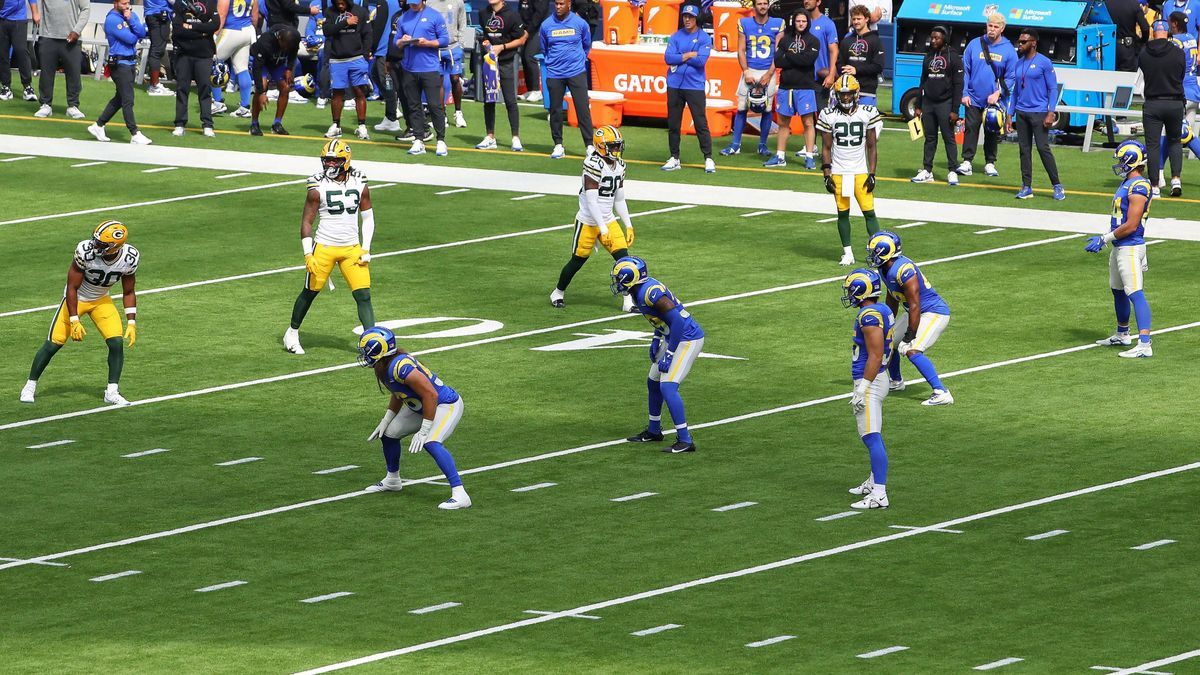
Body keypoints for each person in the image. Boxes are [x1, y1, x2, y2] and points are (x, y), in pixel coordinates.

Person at [20, 220, 139, 407]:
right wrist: (74, 320)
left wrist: (131, 321)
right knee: (53, 344)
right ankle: (29, 386)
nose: (95, 245)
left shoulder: (129, 258)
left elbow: (128, 292)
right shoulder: (84, 251)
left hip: (101, 301)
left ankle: (112, 392)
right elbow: (72, 288)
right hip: (77, 299)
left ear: (115, 247)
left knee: (116, 343)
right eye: (96, 240)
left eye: (101, 244)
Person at [358, 326, 472, 509]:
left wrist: (424, 430)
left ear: (379, 350)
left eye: (366, 350)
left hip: (444, 404)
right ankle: (392, 479)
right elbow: (398, 393)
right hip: (421, 405)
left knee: (431, 442)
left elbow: (431, 395)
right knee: (389, 434)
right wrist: (386, 419)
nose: (363, 354)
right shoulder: (384, 365)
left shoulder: (400, 367)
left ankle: (460, 493)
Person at [284, 140, 376, 355]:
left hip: (352, 248)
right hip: (324, 247)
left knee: (363, 295)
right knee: (310, 292)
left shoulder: (360, 181)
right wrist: (308, 253)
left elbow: (368, 217)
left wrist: (366, 248)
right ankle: (292, 333)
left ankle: (371, 342)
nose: (330, 165)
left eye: (335, 160)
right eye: (327, 160)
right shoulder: (317, 186)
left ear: (346, 161)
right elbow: (307, 221)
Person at [613, 256, 705, 454]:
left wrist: (670, 353)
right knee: (653, 381)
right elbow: (661, 319)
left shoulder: (650, 293)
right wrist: (656, 338)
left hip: (686, 339)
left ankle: (685, 440)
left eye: (619, 278)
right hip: (671, 337)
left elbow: (678, 322)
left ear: (630, 278)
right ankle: (654, 430)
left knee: (668, 386)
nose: (617, 282)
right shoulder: (640, 291)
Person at [550, 126, 636, 312]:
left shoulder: (620, 165)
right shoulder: (593, 163)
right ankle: (558, 292)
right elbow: (591, 201)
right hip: (588, 221)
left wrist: (628, 224)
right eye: (612, 146)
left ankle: (628, 302)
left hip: (608, 219)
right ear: (601, 146)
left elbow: (619, 198)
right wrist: (602, 229)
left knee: (625, 262)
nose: (616, 150)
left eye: (617, 146)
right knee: (577, 261)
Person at [867, 231, 953, 405]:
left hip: (933, 312)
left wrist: (910, 334)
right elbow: (893, 295)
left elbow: (915, 304)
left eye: (874, 252)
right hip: (916, 311)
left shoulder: (904, 270)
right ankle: (896, 381)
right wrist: (888, 323)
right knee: (888, 341)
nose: (871, 256)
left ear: (885, 252)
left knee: (912, 349)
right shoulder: (885, 268)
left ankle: (942, 392)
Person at [1087, 139, 1154, 358]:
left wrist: (1104, 238)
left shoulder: (1139, 186)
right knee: (1117, 290)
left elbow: (1132, 224)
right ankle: (1122, 333)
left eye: (1121, 160)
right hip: (1120, 246)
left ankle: (1145, 343)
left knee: (1135, 292)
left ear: (1131, 161)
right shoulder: (1128, 183)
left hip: (1131, 247)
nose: (1118, 163)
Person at [841, 267, 894, 509]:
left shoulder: (869, 316)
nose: (849, 294)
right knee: (871, 434)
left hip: (871, 381)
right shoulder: (880, 309)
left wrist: (863, 387)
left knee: (871, 437)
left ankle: (879, 494)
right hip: (875, 378)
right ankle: (874, 481)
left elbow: (875, 355)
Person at [818, 74, 881, 266]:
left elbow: (871, 146)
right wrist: (826, 175)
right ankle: (848, 253)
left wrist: (872, 173)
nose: (845, 98)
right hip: (839, 171)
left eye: (848, 94)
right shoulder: (828, 115)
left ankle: (880, 252)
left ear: (856, 93)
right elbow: (826, 148)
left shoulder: (867, 112)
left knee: (869, 212)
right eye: (842, 94)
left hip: (860, 170)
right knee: (842, 213)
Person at [721, 0, 783, 158]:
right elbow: (741, 50)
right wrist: (746, 71)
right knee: (741, 107)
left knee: (767, 109)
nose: (762, 6)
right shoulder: (744, 23)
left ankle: (762, 145)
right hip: (750, 69)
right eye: (759, 3)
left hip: (768, 70)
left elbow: (778, 52)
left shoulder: (778, 23)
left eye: (765, 3)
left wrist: (769, 73)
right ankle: (736, 145)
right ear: (754, 6)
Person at [86, 0, 152, 144]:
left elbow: (141, 32)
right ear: (115, 3)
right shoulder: (112, 20)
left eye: (128, 2)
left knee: (120, 98)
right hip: (119, 64)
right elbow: (131, 39)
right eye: (123, 3)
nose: (126, 6)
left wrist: (131, 19)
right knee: (128, 99)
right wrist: (135, 29)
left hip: (129, 62)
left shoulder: (128, 16)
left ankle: (98, 125)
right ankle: (134, 133)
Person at [959, 13, 1016, 178]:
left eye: (996, 26)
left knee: (992, 131)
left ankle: (990, 163)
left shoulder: (1008, 49)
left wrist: (998, 93)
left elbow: (1011, 77)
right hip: (973, 97)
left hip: (994, 101)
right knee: (971, 128)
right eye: (990, 25)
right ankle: (967, 162)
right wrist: (964, 93)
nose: (992, 29)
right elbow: (965, 70)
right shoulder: (974, 44)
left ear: (1002, 29)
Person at [1011, 28, 1064, 200]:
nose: (1020, 45)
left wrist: (1051, 112)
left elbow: (1052, 89)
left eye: (1023, 42)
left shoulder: (1044, 62)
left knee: (1043, 148)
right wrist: (1009, 114)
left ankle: (1057, 186)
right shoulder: (1019, 63)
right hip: (1021, 112)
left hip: (1039, 112)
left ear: (1033, 43)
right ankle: (1026, 186)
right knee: (1024, 150)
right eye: (1019, 42)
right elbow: (1015, 92)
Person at [662, 4, 714, 173]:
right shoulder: (676, 36)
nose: (687, 19)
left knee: (700, 122)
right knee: (673, 123)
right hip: (674, 84)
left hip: (694, 85)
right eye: (685, 16)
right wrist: (688, 55)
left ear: (697, 18)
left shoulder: (704, 38)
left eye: (690, 17)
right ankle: (674, 157)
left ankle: (708, 158)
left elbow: (701, 61)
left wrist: (680, 57)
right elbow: (668, 58)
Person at [394, 0, 449, 156]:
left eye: (416, 3)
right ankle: (418, 139)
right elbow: (396, 42)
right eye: (411, 3)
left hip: (429, 68)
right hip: (409, 68)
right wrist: (402, 41)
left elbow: (444, 39)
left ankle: (441, 140)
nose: (413, 5)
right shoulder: (404, 18)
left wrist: (428, 43)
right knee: (413, 105)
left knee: (434, 105)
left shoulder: (435, 16)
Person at [766, 11, 819, 168]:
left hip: (805, 87)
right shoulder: (785, 40)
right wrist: (797, 58)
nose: (801, 23)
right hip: (786, 87)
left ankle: (809, 156)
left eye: (803, 21)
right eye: (798, 21)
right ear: (793, 22)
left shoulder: (813, 40)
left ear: (807, 22)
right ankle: (780, 156)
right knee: (783, 123)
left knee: (808, 122)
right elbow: (778, 60)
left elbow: (808, 61)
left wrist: (789, 56)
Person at [912, 25, 963, 185]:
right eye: (932, 37)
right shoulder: (928, 56)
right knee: (930, 138)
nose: (933, 40)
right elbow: (922, 81)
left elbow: (958, 85)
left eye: (937, 38)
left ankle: (952, 170)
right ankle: (927, 170)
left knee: (949, 138)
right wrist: (918, 106)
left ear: (945, 39)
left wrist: (955, 110)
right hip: (928, 103)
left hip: (945, 103)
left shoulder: (953, 57)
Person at [540, 0, 592, 159]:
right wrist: (553, 64)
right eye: (556, 4)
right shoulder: (546, 25)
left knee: (582, 109)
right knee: (555, 110)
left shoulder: (580, 24)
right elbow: (544, 48)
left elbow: (586, 44)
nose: (558, 7)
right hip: (555, 74)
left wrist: (578, 60)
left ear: (569, 4)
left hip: (576, 72)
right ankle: (558, 145)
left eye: (561, 4)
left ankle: (589, 146)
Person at [1141, 19, 1187, 196]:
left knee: (1152, 145)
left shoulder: (1144, 53)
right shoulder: (1178, 53)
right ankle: (1176, 179)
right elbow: (1181, 75)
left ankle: (1154, 186)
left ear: (1153, 32)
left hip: (1153, 102)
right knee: (1175, 141)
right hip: (1174, 101)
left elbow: (1144, 73)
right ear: (1168, 32)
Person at [477, 0, 526, 151]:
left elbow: (521, 39)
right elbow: (486, 35)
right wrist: (487, 44)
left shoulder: (512, 15)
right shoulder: (483, 13)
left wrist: (501, 47)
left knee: (510, 100)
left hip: (506, 61)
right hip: (490, 61)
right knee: (489, 99)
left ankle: (515, 138)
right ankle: (490, 136)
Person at [322, 0, 372, 140]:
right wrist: (345, 22)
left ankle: (362, 126)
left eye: (342, 2)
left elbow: (368, 34)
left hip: (357, 58)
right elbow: (327, 31)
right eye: (337, 2)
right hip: (337, 59)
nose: (340, 4)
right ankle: (336, 125)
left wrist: (365, 55)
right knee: (337, 92)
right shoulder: (330, 12)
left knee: (359, 91)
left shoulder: (361, 11)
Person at [33, 0, 88, 119]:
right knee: (46, 73)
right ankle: (45, 104)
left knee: (74, 73)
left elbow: (86, 9)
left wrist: (76, 31)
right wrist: (36, 13)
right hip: (47, 35)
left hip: (72, 36)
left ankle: (73, 106)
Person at [171, 0, 219, 138]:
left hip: (204, 54)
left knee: (205, 89)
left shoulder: (210, 3)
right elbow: (178, 29)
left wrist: (190, 27)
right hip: (184, 53)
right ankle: (180, 124)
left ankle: (207, 125)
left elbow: (214, 25)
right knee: (182, 89)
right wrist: (202, 30)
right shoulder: (180, 3)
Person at [210, 0, 259, 117]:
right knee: (242, 68)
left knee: (212, 63)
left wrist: (214, 34)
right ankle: (245, 107)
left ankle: (218, 102)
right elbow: (255, 17)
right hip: (247, 31)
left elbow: (222, 15)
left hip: (230, 30)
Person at [249, 26, 300, 135]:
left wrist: (289, 69)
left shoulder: (294, 38)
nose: (286, 49)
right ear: (279, 39)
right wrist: (262, 92)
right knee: (262, 86)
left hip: (278, 63)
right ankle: (254, 124)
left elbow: (294, 52)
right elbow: (257, 68)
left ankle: (277, 123)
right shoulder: (265, 42)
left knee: (286, 87)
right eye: (285, 46)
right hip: (262, 62)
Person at [428, 0, 467, 127]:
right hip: (436, 47)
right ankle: (442, 116)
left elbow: (462, 22)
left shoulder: (458, 2)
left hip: (453, 46)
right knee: (438, 81)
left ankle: (458, 112)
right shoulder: (429, 2)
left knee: (455, 79)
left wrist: (461, 42)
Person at [836, 5, 883, 106]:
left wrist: (856, 70)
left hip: (867, 92)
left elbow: (878, 66)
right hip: (846, 92)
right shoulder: (846, 41)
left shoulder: (875, 40)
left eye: (859, 18)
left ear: (866, 19)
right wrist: (845, 69)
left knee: (864, 122)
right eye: (854, 19)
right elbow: (839, 63)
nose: (856, 22)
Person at [0, 0, 41, 102]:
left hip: (19, 19)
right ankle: (6, 87)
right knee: (2, 54)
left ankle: (27, 87)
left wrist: (35, 12)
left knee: (21, 51)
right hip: (2, 19)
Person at [803, 0, 838, 108]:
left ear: (818, 2)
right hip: (803, 79)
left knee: (822, 118)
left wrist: (831, 75)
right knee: (806, 120)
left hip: (820, 80)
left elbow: (834, 50)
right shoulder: (801, 23)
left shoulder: (827, 23)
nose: (806, 1)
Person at [1105, 0, 1151, 71]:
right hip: (1127, 49)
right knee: (1127, 78)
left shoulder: (1105, 4)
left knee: (1109, 77)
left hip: (1109, 47)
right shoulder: (1134, 4)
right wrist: (1142, 41)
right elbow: (1145, 28)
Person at [518, 0, 546, 101]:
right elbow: (521, 11)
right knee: (524, 57)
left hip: (538, 28)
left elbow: (539, 14)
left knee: (530, 56)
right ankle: (530, 90)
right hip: (526, 29)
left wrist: (528, 31)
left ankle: (537, 91)